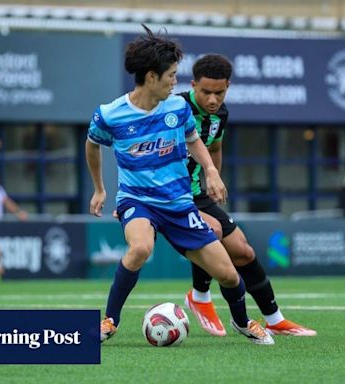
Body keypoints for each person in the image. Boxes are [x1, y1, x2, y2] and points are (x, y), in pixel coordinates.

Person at [86, 25, 274, 345]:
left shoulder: (177, 107)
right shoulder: (110, 114)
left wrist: (211, 171)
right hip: (138, 200)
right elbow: (92, 145)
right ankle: (109, 320)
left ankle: (242, 322)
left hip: (179, 204)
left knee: (228, 274)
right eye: (171, 75)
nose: (175, 81)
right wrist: (100, 189)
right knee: (141, 248)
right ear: (150, 77)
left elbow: (194, 140)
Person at [179, 54, 316, 337]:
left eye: (220, 92)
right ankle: (199, 297)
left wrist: (213, 179)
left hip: (197, 193)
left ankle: (275, 319)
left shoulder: (221, 114)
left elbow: (214, 148)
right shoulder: (176, 108)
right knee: (211, 231)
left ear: (228, 86)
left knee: (244, 251)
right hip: (172, 195)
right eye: (206, 92)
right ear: (193, 85)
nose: (213, 99)